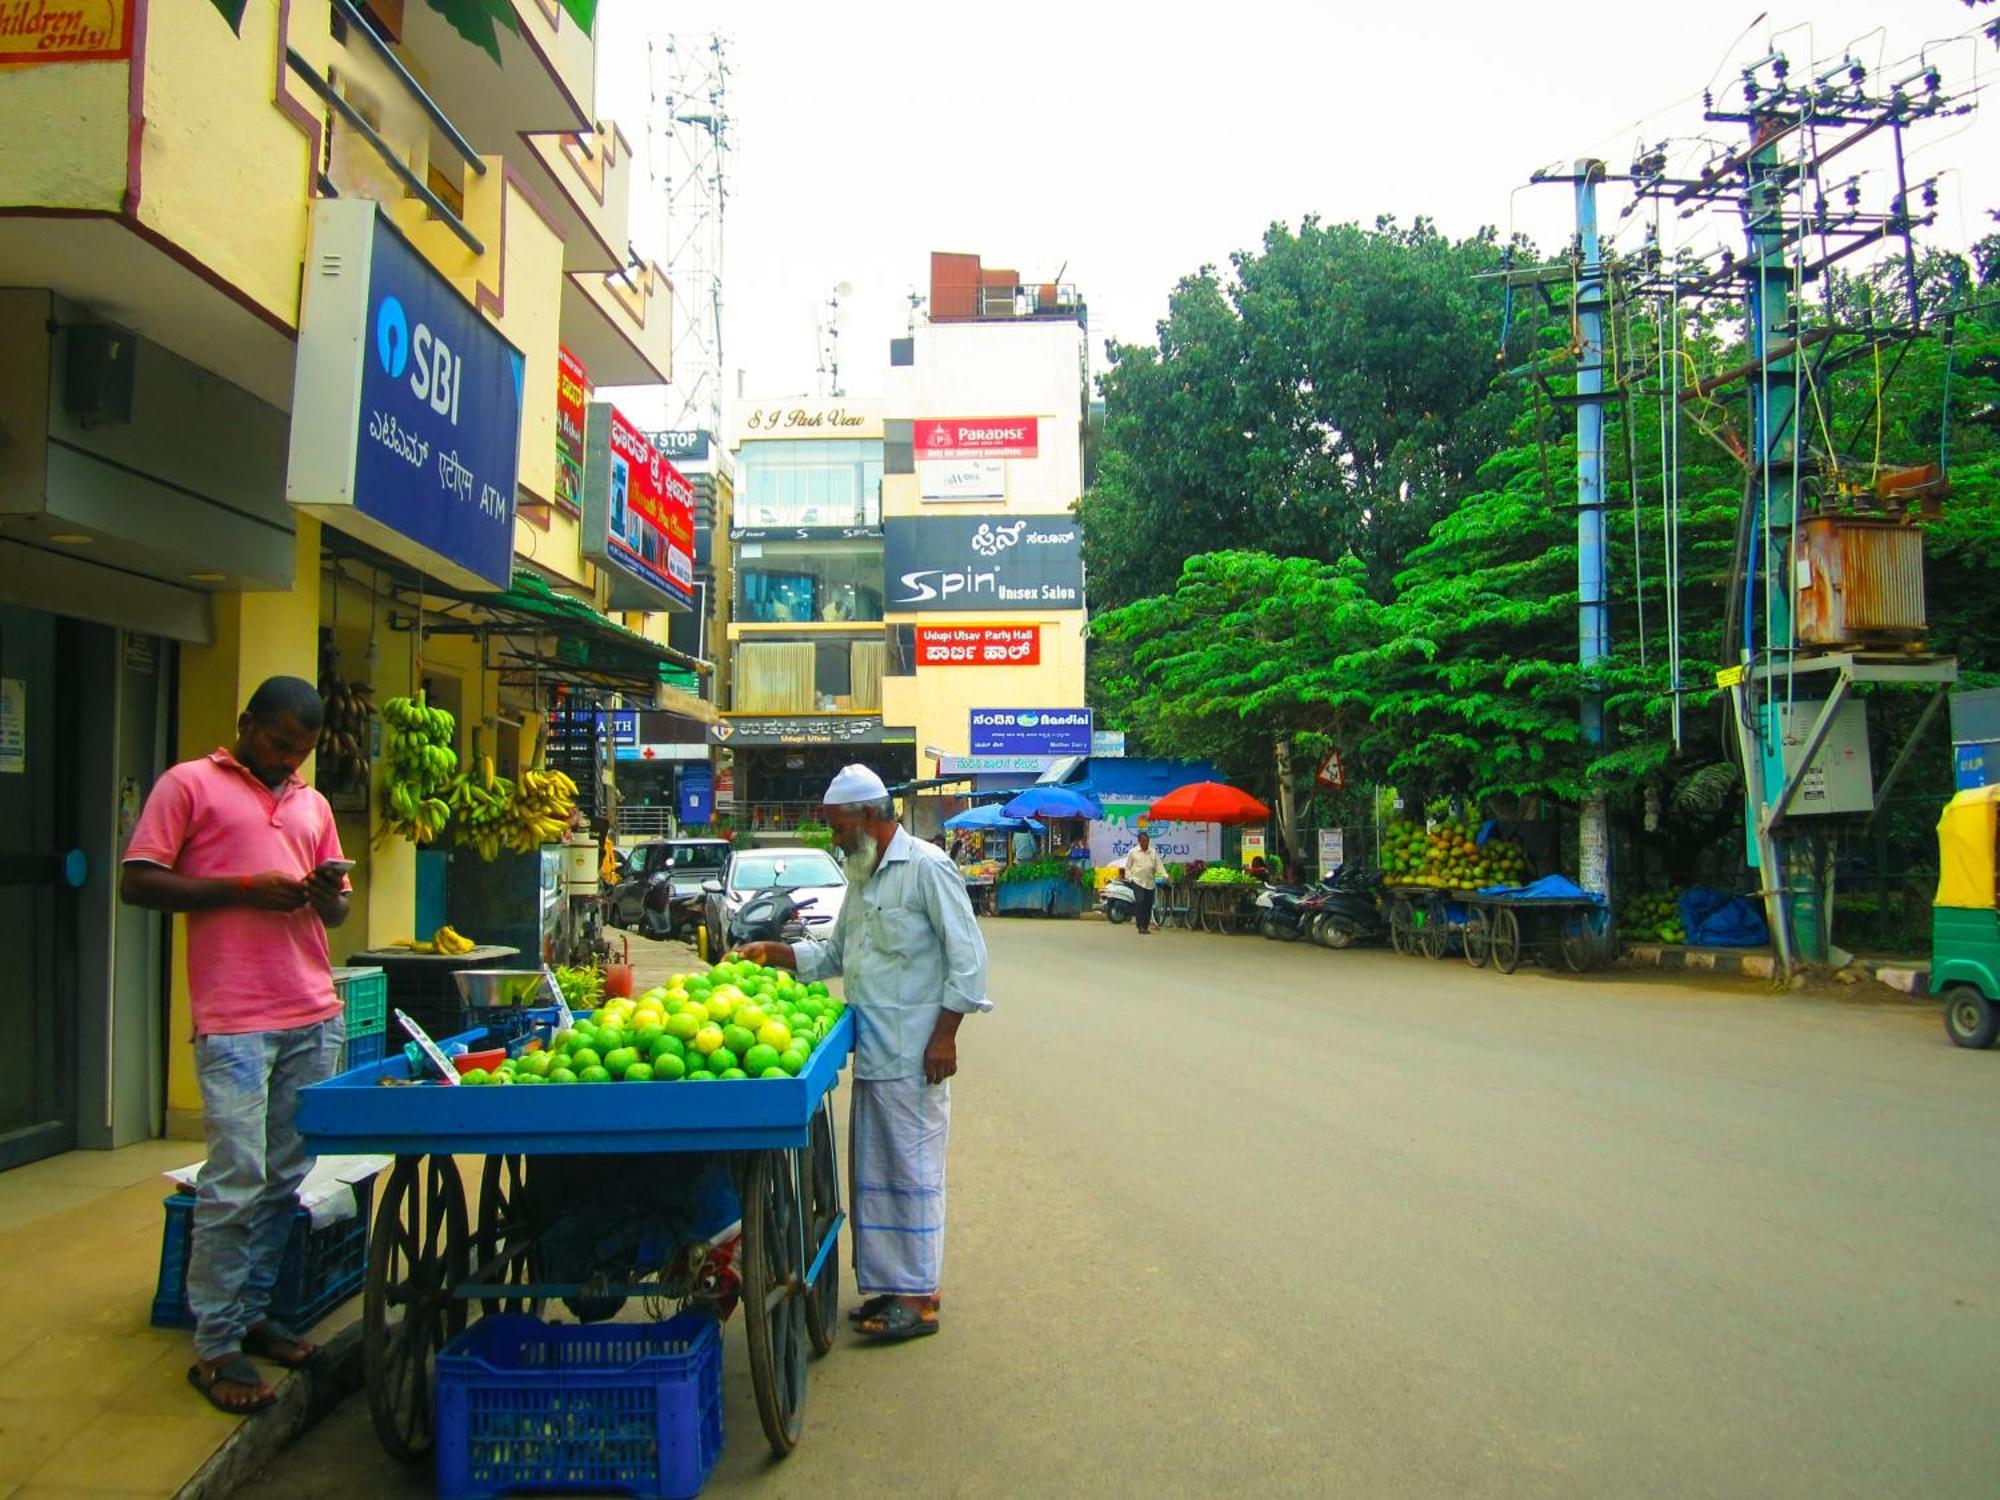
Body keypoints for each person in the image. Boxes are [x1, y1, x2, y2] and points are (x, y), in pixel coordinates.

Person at [120, 676, 352, 1415]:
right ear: (246, 723)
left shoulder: (312, 804)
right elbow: (140, 882)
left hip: (312, 1011)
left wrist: (325, 895)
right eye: (280, 743)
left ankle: (254, 1314)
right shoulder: (189, 784)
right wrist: (243, 888)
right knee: (233, 1180)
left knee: (286, 1176)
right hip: (235, 1018)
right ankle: (215, 1346)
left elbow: (340, 911)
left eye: (303, 750)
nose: (289, 760)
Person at [736, 764, 988, 1343]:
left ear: (872, 817)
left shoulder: (927, 867)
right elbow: (834, 955)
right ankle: (894, 1284)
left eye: (840, 827)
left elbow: (969, 961)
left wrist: (946, 1034)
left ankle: (919, 1297)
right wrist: (777, 952)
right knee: (877, 1175)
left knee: (913, 1172)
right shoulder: (863, 876)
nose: (836, 839)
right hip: (874, 1050)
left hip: (917, 1053)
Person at [1123, 829, 1167, 935]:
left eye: (1147, 841)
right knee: (1140, 902)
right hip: (1137, 881)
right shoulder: (1133, 852)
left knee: (1148, 905)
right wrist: (1130, 878)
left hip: (1149, 882)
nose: (1145, 843)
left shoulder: (1153, 852)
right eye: (1143, 841)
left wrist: (1165, 876)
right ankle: (1140, 925)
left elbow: (1159, 866)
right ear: (1139, 841)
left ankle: (1145, 926)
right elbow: (1127, 867)